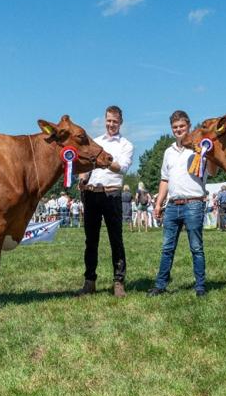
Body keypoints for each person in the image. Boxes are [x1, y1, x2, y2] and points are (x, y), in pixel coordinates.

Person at [148, 110, 211, 297]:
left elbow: (213, 171)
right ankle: (160, 284)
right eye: (175, 127)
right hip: (173, 205)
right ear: (171, 129)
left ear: (189, 126)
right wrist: (159, 203)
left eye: (182, 126)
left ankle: (200, 286)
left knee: (196, 248)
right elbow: (164, 180)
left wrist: (211, 152)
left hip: (194, 203)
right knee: (167, 248)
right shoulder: (168, 152)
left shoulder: (200, 149)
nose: (178, 130)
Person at [77, 105, 134, 297]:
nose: (111, 124)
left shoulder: (126, 145)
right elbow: (87, 166)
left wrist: (105, 160)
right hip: (92, 194)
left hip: (112, 195)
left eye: (115, 121)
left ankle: (118, 282)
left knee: (116, 240)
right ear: (105, 120)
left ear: (121, 123)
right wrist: (83, 177)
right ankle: (89, 281)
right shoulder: (96, 142)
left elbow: (122, 168)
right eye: (109, 120)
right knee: (90, 241)